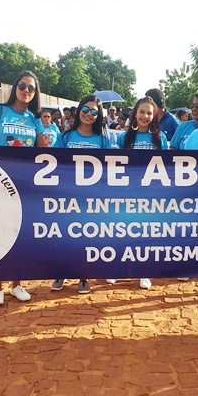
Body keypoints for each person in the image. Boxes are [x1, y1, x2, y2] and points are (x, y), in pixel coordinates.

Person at [0, 70, 45, 305]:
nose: (26, 91)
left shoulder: (35, 119)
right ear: (15, 87)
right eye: (23, 86)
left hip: (26, 184)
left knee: (20, 234)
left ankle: (16, 284)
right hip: (0, 181)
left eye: (31, 88)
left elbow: (41, 153)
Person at [51, 95, 113, 294]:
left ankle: (83, 276)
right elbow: (53, 163)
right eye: (86, 109)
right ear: (79, 110)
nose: (89, 114)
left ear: (99, 115)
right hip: (67, 197)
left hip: (91, 198)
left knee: (86, 236)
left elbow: (110, 167)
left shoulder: (103, 139)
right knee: (65, 236)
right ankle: (61, 271)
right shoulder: (65, 137)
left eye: (94, 111)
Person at [109, 96, 168, 290]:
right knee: (123, 232)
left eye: (149, 113)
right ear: (135, 113)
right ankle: (118, 269)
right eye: (142, 112)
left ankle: (144, 271)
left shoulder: (160, 138)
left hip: (151, 195)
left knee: (146, 233)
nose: (145, 116)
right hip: (126, 193)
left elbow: (167, 168)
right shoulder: (122, 137)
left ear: (155, 116)